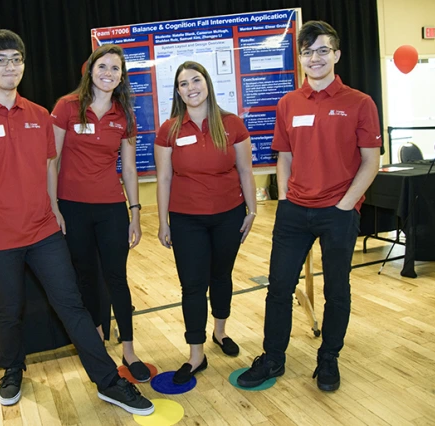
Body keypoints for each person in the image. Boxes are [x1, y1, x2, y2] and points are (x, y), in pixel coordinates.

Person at [0, 29, 153, 415]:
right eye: (1, 60)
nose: (10, 67)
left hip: (43, 232)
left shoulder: (39, 115)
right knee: (8, 309)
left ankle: (109, 382)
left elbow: (48, 167)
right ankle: (11, 369)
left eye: (16, 59)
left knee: (71, 305)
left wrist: (51, 208)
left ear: (24, 65)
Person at [237, 20, 381, 392]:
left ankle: (328, 358)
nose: (314, 58)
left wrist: (346, 204)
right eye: (307, 51)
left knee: (337, 290)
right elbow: (283, 156)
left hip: (339, 213)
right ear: (299, 57)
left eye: (322, 50)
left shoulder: (360, 102)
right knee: (279, 288)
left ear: (336, 54)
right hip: (294, 212)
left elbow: (371, 160)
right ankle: (273, 358)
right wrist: (285, 198)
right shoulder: (289, 103)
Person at [49, 44, 150, 382]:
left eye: (115, 69)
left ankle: (129, 348)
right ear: (90, 69)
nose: (108, 73)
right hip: (73, 207)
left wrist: (135, 211)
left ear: (122, 76)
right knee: (86, 276)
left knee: (116, 277)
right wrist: (53, 206)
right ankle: (96, 342)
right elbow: (52, 160)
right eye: (103, 66)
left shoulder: (125, 114)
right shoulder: (66, 107)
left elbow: (131, 168)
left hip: (110, 208)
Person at [154, 61, 257, 384]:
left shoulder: (232, 124)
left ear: (207, 83)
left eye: (195, 80)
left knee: (221, 276)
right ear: (178, 92)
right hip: (186, 220)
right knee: (193, 285)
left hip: (229, 215)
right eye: (183, 84)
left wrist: (252, 210)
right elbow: (164, 178)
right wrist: (163, 221)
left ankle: (221, 332)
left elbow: (245, 171)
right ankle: (195, 354)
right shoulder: (168, 129)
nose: (191, 88)